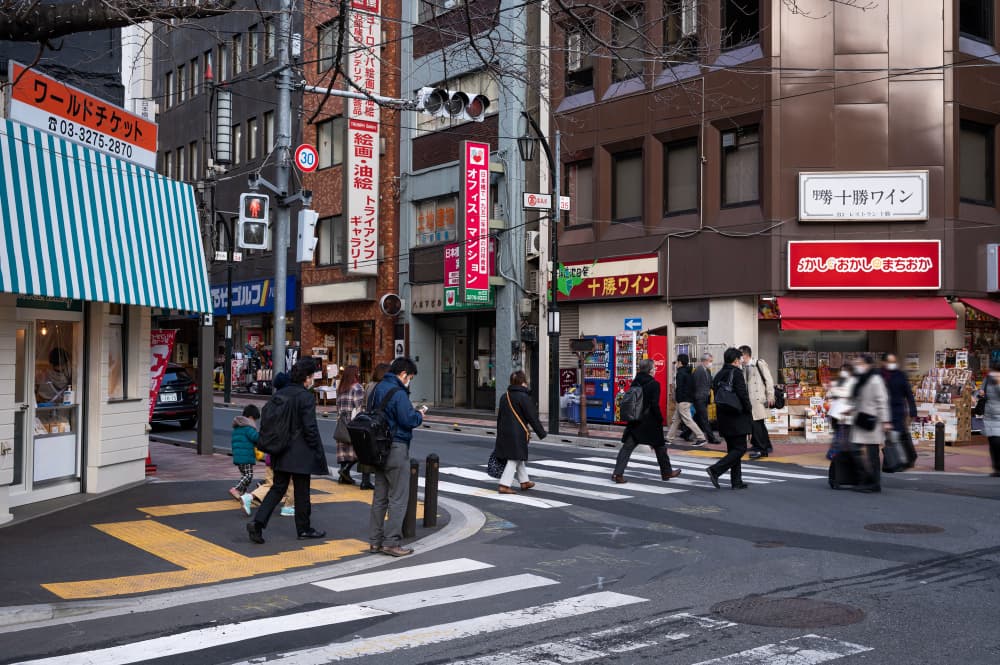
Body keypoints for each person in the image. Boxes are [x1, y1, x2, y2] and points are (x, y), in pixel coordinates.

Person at [247, 358, 328, 544]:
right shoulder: (305, 396)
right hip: (300, 451)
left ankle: (258, 523)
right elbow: (310, 428)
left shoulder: (281, 393)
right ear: (307, 378)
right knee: (301, 491)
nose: (312, 380)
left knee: (277, 488)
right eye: (312, 377)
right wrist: (316, 449)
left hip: (279, 449)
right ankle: (304, 528)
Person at [368, 357, 426, 557]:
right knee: (398, 498)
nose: (409, 380)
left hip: (377, 448)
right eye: (410, 377)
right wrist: (419, 415)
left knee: (379, 497)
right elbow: (408, 419)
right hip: (396, 447)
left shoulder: (376, 388)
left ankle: (375, 541)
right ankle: (391, 542)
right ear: (403, 374)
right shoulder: (398, 393)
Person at [612, 358, 682, 483]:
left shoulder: (635, 382)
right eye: (654, 368)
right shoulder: (654, 384)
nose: (655, 370)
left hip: (635, 420)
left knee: (627, 447)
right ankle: (666, 472)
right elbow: (654, 404)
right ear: (650, 370)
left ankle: (618, 474)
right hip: (650, 421)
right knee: (660, 447)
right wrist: (660, 418)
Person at [706, 347, 753, 490]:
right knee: (740, 448)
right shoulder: (736, 373)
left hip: (723, 416)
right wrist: (749, 410)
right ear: (735, 360)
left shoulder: (719, 374)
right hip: (736, 416)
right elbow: (742, 395)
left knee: (733, 448)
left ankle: (736, 481)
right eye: (739, 359)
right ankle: (715, 470)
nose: (741, 361)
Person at [249, 372, 295, 516]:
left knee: (273, 484)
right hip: (285, 453)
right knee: (286, 483)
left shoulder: (270, 404)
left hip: (271, 453)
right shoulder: (287, 403)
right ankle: (287, 506)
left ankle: (252, 500)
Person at [494, 371, 547, 493]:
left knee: (518, 457)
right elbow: (532, 417)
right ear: (523, 382)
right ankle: (504, 485)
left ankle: (524, 481)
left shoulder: (504, 396)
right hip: (517, 433)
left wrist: (499, 433)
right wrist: (541, 433)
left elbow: (499, 417)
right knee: (514, 458)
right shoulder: (524, 397)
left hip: (504, 432)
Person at [849, 354, 891, 493]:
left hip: (872, 421)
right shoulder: (861, 378)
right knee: (856, 449)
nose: (857, 366)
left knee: (872, 454)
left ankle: (872, 482)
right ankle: (867, 479)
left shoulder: (875, 379)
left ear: (868, 364)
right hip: (861, 419)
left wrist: (885, 421)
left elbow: (882, 401)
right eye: (857, 363)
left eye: (860, 363)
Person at [882, 354, 918, 467]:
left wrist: (913, 410)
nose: (892, 364)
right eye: (889, 361)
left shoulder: (900, 375)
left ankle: (899, 460)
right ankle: (894, 461)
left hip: (897, 411)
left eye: (894, 361)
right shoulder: (879, 375)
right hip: (883, 411)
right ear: (884, 362)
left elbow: (908, 393)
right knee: (890, 438)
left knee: (895, 437)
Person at [740, 345, 775, 459]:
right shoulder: (744, 367)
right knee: (758, 425)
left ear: (745, 355)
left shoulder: (759, 364)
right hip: (751, 401)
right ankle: (764, 445)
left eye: (740, 356)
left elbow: (769, 379)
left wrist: (770, 395)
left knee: (757, 425)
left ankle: (761, 450)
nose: (739, 359)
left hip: (759, 399)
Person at [666, 354, 707, 446]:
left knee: (688, 420)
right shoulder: (689, 372)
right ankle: (669, 438)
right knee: (676, 420)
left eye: (677, 361)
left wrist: (678, 399)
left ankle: (701, 437)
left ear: (680, 362)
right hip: (687, 399)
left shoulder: (680, 373)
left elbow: (680, 388)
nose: (676, 363)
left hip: (683, 401)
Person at [335, 365, 366, 486]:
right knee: (360, 450)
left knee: (344, 450)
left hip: (341, 422)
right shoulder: (357, 387)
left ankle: (343, 477)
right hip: (353, 423)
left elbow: (337, 406)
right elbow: (359, 407)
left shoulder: (341, 388)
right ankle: (345, 470)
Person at [230, 404, 260, 514]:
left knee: (245, 476)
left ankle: (242, 494)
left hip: (239, 455)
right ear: (250, 417)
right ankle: (236, 489)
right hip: (245, 456)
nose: (255, 422)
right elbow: (255, 438)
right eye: (254, 419)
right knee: (248, 475)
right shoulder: (248, 427)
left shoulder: (238, 427)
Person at [977, 361, 1000, 477]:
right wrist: (980, 394)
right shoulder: (987, 379)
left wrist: (998, 383)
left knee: (997, 442)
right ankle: (996, 467)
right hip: (989, 415)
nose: (994, 373)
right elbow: (981, 392)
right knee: (992, 442)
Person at [692, 353, 720, 444]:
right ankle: (711, 438)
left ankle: (685, 433)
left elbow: (710, 383)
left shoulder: (707, 371)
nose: (711, 363)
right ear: (704, 361)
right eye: (710, 361)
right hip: (699, 398)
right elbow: (695, 385)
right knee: (704, 418)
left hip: (705, 397)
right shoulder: (698, 371)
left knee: (697, 417)